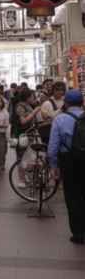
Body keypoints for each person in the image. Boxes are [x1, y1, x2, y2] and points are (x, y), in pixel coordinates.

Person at [48, 90, 85, 245]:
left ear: (66, 103)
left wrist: (54, 166)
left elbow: (52, 147)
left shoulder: (60, 119)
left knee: (72, 196)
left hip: (68, 161)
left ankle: (78, 233)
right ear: (82, 102)